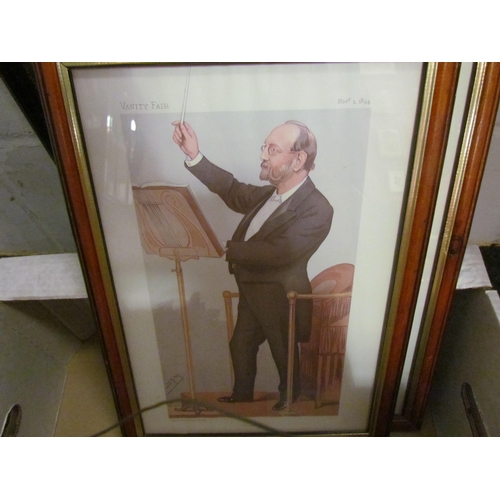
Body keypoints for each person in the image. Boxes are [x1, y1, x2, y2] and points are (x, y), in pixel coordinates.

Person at [172, 120, 333, 410]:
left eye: (272, 150)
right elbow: (231, 188)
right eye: (264, 147)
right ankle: (243, 394)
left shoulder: (318, 208)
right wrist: (194, 155)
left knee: (283, 350)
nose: (262, 155)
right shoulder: (267, 195)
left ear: (298, 160)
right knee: (241, 344)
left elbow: (282, 251)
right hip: (252, 290)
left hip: (282, 296)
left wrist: (231, 249)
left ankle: (290, 398)